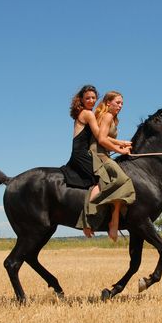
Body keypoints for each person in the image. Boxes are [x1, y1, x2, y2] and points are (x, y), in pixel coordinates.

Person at [77, 91, 136, 241]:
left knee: (117, 183)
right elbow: (102, 140)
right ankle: (96, 220)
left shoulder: (112, 118)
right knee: (123, 180)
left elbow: (105, 136)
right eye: (118, 102)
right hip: (98, 154)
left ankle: (114, 220)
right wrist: (120, 149)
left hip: (104, 154)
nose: (120, 106)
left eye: (122, 103)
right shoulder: (108, 116)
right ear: (108, 103)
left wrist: (121, 142)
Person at [63, 85, 102, 238]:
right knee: (104, 180)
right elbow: (100, 137)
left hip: (81, 153)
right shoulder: (87, 114)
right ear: (82, 100)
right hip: (81, 154)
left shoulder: (86, 113)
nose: (91, 100)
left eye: (93, 98)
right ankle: (87, 222)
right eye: (88, 98)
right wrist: (122, 144)